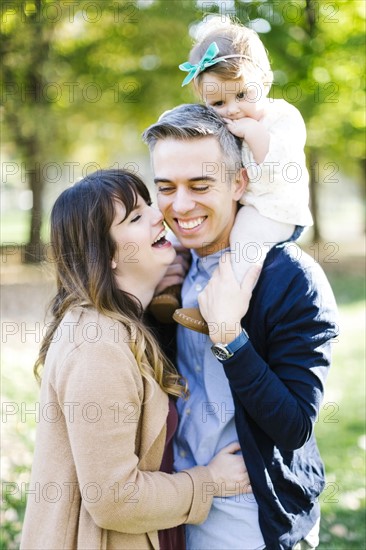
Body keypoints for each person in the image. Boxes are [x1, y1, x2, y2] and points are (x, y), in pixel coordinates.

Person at [20, 169, 251, 550]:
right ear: (107, 254)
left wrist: (162, 291)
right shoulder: (97, 347)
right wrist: (210, 481)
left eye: (147, 205)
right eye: (135, 217)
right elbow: (114, 499)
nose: (159, 215)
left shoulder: (118, 324)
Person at [142, 104, 339, 550]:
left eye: (200, 185)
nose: (181, 204)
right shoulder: (171, 267)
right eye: (166, 187)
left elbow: (295, 427)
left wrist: (229, 336)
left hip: (253, 521)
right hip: (173, 508)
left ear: (239, 182)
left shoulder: (291, 279)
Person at [162, 16, 313, 331]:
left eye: (242, 95)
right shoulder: (224, 119)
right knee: (184, 236)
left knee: (243, 244)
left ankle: (224, 311)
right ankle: (167, 291)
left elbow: (276, 173)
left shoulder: (282, 118)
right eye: (217, 102)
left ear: (265, 81)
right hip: (247, 201)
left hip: (273, 208)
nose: (231, 109)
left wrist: (254, 133)